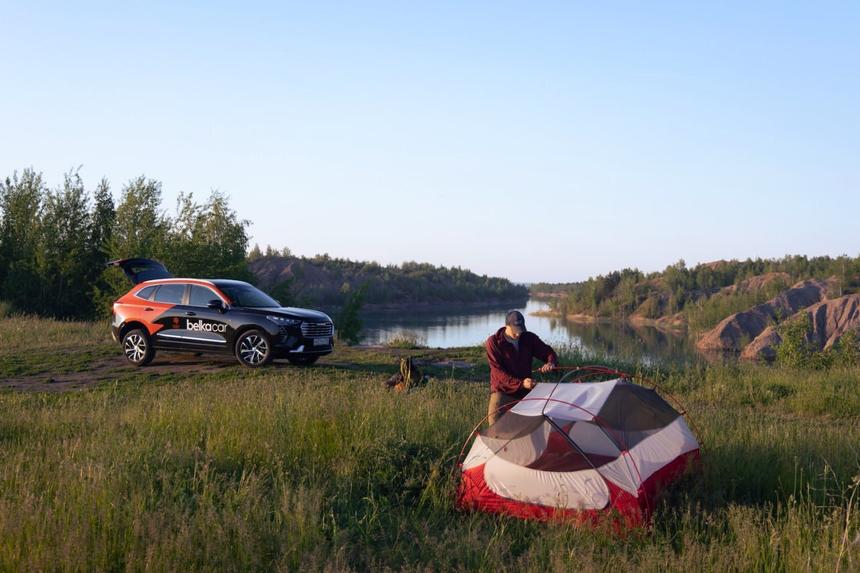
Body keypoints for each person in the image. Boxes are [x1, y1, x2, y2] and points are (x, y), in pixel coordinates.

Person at [485, 310, 558, 425]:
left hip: (525, 393)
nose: (518, 334)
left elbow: (548, 352)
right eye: (515, 331)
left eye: (520, 330)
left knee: (529, 430)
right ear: (506, 326)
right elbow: (499, 374)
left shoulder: (528, 338)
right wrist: (521, 383)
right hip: (502, 393)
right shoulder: (493, 342)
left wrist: (550, 362)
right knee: (496, 433)